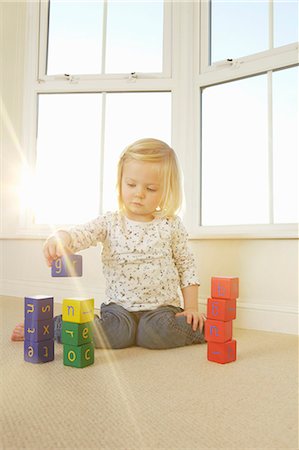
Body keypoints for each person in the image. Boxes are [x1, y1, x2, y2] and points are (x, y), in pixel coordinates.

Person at [11, 138, 206, 349]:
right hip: (119, 309)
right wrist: (62, 236)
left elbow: (186, 265)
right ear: (120, 182)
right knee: (115, 334)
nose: (139, 193)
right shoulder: (110, 222)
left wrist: (192, 307)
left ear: (167, 191)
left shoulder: (171, 224)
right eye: (131, 184)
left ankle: (206, 328)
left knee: (156, 334)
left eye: (151, 188)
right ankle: (52, 326)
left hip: (162, 309)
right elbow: (82, 233)